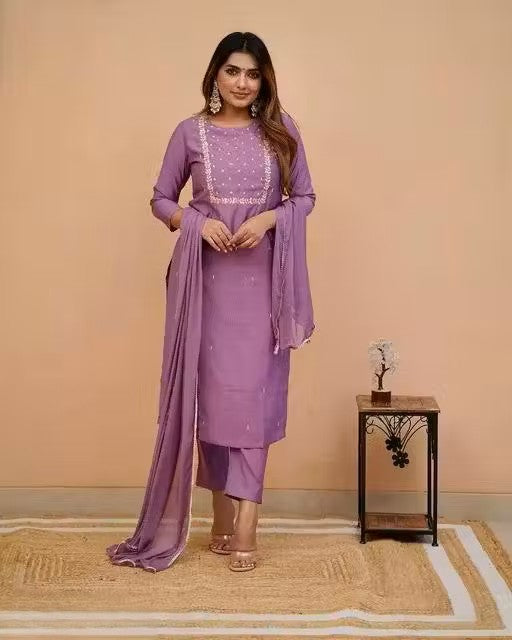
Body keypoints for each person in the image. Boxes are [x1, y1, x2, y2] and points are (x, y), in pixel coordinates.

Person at [106, 31, 316, 573]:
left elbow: (305, 198)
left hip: (263, 284)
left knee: (253, 399)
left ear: (264, 80)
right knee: (214, 399)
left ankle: (247, 523)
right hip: (205, 285)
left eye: (253, 73)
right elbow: (160, 199)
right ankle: (221, 517)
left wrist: (269, 219)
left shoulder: (281, 131)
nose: (243, 83)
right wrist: (195, 225)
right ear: (216, 76)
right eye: (233, 71)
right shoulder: (189, 132)